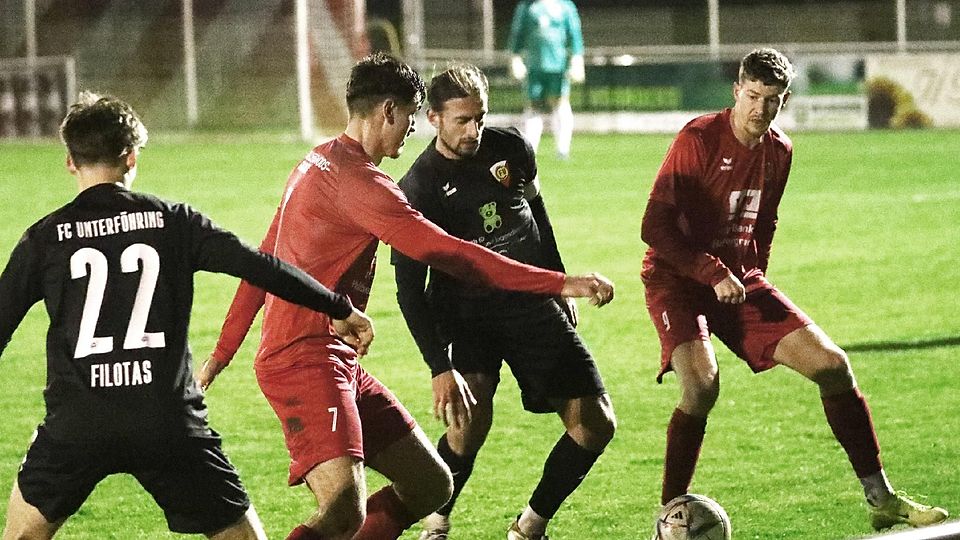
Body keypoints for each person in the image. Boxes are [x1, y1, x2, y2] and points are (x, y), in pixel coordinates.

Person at [203, 52, 614, 540]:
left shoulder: (315, 162)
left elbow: (261, 266)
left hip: (339, 357)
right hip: (302, 359)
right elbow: (454, 255)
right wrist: (560, 282)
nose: (411, 131)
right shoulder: (366, 185)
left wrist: (220, 356)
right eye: (411, 118)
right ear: (388, 112)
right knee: (341, 509)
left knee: (430, 483)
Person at [0, 92, 374, 540]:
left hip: (79, 421)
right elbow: (262, 267)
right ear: (131, 156)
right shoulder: (173, 222)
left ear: (69, 161)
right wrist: (339, 307)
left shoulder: (44, 238)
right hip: (165, 421)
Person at [641, 47, 948, 531]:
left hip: (738, 283)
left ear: (784, 101)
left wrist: (750, 272)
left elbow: (766, 220)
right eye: (753, 96)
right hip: (678, 280)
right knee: (701, 385)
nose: (760, 110)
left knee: (832, 365)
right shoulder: (698, 138)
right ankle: (669, 517)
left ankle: (881, 499)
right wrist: (711, 271)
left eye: (773, 100)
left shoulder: (779, 151)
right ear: (736, 91)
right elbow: (654, 226)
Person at [391, 64, 615, 540]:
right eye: (462, 121)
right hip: (466, 315)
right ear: (433, 118)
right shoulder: (419, 187)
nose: (474, 130)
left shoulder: (510, 147)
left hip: (530, 304)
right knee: (469, 427)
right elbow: (409, 289)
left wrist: (556, 281)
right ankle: (436, 521)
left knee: (595, 423)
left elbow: (535, 209)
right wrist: (438, 367)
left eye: (480, 117)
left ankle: (529, 526)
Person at [507, 0, 584, 160]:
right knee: (533, 106)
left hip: (558, 66)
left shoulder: (565, 6)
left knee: (560, 104)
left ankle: (563, 149)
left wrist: (577, 60)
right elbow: (517, 34)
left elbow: (574, 34)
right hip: (534, 66)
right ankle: (530, 150)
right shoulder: (527, 7)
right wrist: (515, 58)